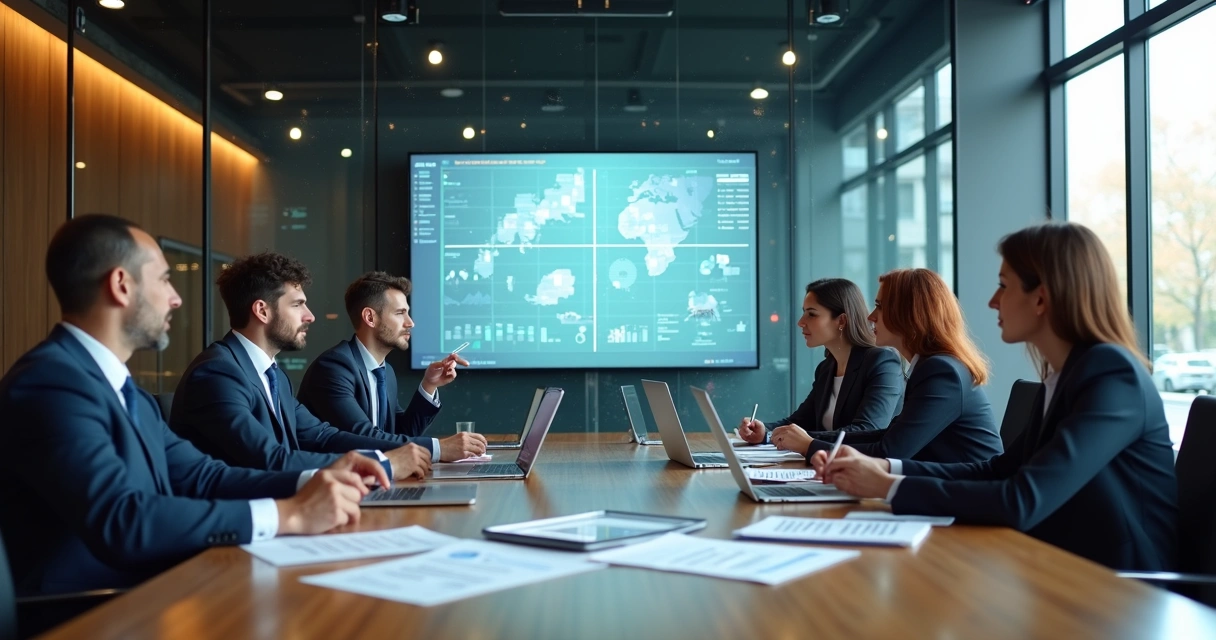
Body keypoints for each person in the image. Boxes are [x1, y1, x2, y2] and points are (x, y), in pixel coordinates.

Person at [0, 215, 395, 596]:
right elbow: (123, 520)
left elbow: (203, 476)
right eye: (165, 279)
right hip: (93, 607)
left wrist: (313, 481)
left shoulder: (121, 388)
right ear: (121, 285)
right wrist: (287, 515)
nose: (175, 299)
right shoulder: (51, 384)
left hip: (158, 584)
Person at [814, 222, 1177, 571]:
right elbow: (999, 469)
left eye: (1004, 286)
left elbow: (1022, 499)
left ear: (1041, 298)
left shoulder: (1111, 375)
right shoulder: (1064, 375)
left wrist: (891, 486)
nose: (992, 301)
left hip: (1119, 590)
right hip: (1054, 566)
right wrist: (888, 468)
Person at [170, 252, 433, 478]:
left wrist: (411, 454)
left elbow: (324, 437)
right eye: (297, 305)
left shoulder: (274, 376)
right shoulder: (217, 373)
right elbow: (269, 459)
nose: (310, 316)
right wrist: (384, 464)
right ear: (262, 311)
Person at [771, 268, 1003, 464]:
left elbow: (890, 452)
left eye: (880, 306)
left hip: (969, 508)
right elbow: (885, 437)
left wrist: (810, 445)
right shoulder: (928, 367)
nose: (871, 316)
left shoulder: (941, 372)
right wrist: (805, 441)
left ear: (908, 314)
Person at [297, 271, 486, 461]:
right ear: (370, 317)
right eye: (400, 313)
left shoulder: (385, 371)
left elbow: (399, 434)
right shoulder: (334, 368)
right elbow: (364, 437)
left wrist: (429, 385)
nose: (410, 322)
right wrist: (438, 448)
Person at [736, 278, 903, 456]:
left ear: (841, 321)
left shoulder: (882, 361)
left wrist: (805, 441)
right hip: (826, 468)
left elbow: (867, 430)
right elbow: (800, 421)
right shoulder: (826, 368)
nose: (801, 322)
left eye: (812, 314)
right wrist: (764, 432)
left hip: (866, 472)